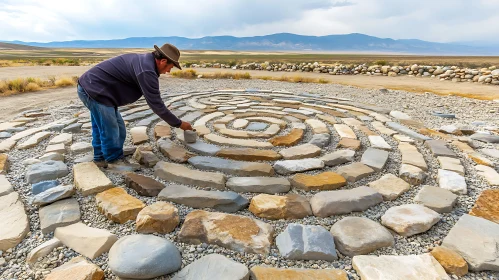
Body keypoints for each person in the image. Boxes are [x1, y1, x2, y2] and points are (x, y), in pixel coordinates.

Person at [77, 43, 192, 167]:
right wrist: (179, 123)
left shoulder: (145, 62)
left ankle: (100, 158)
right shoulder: (147, 70)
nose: (169, 71)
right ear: (163, 61)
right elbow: (156, 104)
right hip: (95, 90)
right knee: (110, 128)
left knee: (115, 126)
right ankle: (114, 161)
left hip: (98, 90)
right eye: (170, 67)